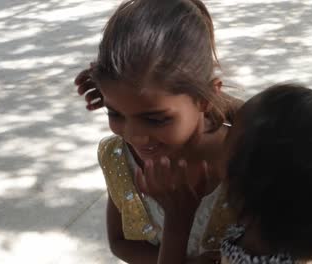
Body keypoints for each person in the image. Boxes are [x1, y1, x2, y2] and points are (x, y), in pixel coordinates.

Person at [137, 84, 312, 264]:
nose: (225, 126)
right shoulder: (294, 228)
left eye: (231, 132)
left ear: (239, 190)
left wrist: (177, 221)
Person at [88, 0, 242, 263]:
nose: (135, 136)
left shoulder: (245, 161)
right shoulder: (117, 158)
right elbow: (119, 243)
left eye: (155, 119)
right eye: (115, 113)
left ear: (205, 99)